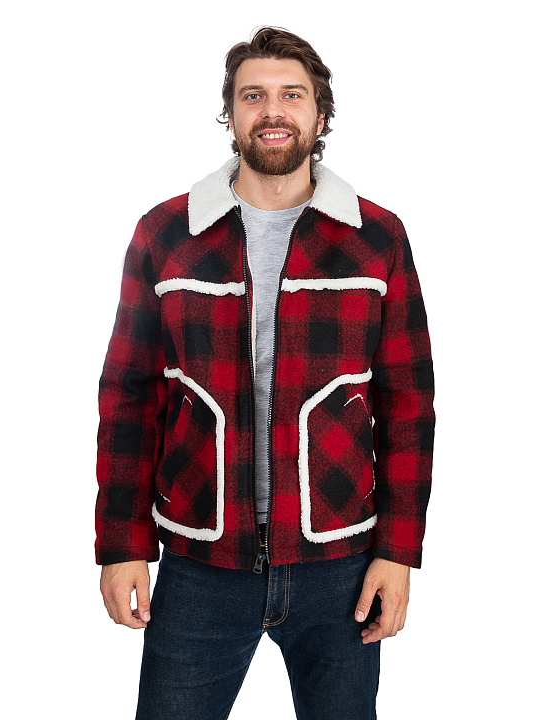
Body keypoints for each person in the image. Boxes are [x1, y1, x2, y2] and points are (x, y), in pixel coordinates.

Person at [95, 26, 435, 720]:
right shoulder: (166, 234)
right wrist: (122, 544)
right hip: (199, 561)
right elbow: (129, 396)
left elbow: (407, 404)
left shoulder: (377, 237)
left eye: (291, 95)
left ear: (320, 114)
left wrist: (398, 552)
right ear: (229, 114)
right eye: (253, 96)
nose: (272, 111)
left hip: (340, 565)